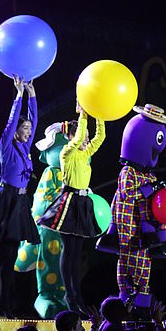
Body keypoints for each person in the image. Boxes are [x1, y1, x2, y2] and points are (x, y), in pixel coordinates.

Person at [0, 76, 39, 317]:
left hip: (20, 203)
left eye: (29, 130)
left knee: (9, 256)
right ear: (16, 132)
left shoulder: (26, 145)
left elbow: (34, 118)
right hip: (5, 201)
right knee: (5, 254)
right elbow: (13, 121)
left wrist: (32, 94)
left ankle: (3, 301)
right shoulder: (7, 144)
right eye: (25, 129)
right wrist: (19, 94)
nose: (28, 132)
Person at [37, 103, 106, 315]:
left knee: (77, 253)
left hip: (83, 203)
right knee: (69, 251)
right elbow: (77, 140)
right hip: (69, 202)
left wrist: (100, 115)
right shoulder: (67, 152)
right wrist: (84, 112)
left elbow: (100, 137)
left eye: (86, 138)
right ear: (70, 138)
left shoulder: (85, 154)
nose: (86, 141)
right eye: (82, 137)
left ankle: (76, 295)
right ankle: (70, 295)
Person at [106, 104, 166, 309]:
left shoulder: (148, 174)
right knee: (128, 260)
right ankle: (127, 300)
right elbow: (128, 195)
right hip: (128, 225)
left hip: (144, 228)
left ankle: (142, 303)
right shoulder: (128, 172)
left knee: (144, 263)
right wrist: (150, 189)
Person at [15, 120, 75, 319]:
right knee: (49, 258)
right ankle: (46, 296)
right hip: (49, 229)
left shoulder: (73, 175)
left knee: (65, 262)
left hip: (67, 230)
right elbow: (42, 202)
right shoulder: (51, 172)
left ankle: (64, 296)